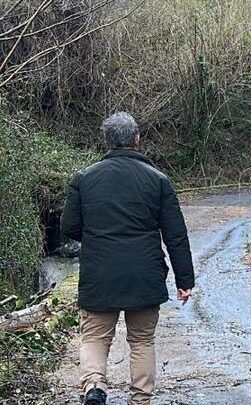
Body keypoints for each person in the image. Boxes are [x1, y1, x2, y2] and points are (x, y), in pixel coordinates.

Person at [61, 112, 195, 405]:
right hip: (144, 273)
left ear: (107, 142)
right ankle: (140, 400)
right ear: (137, 140)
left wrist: (98, 239)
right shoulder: (159, 181)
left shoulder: (84, 179)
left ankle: (95, 387)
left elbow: (68, 226)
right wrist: (185, 281)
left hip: (99, 273)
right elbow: (176, 236)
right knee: (142, 340)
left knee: (95, 337)